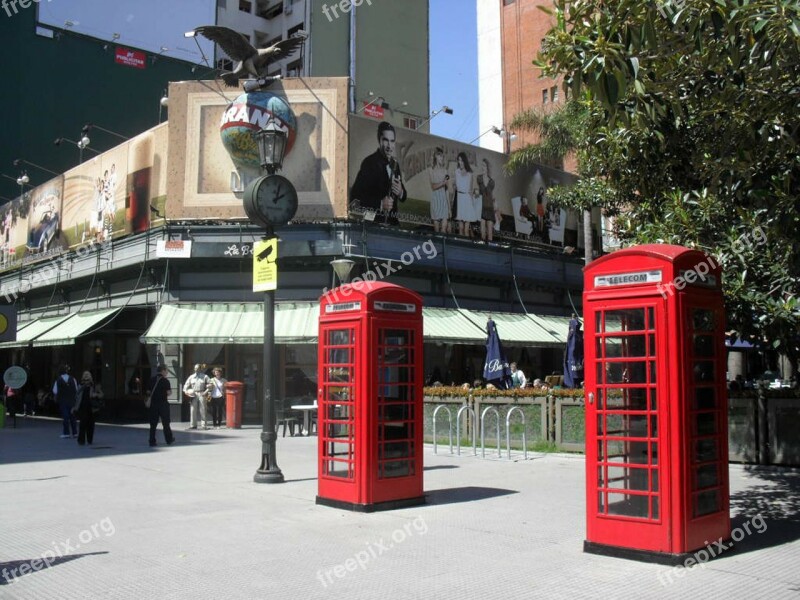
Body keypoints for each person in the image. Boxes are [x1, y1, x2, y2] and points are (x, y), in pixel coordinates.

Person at [350, 121, 407, 225]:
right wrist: (380, 204)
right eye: (386, 140)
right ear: (379, 140)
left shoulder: (395, 164)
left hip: (392, 226)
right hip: (373, 225)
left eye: (392, 141)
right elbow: (355, 198)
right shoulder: (369, 163)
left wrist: (401, 192)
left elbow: (403, 195)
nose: (389, 146)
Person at [148, 365, 174, 447]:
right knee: (166, 423)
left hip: (153, 404)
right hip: (163, 404)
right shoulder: (165, 381)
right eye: (166, 371)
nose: (167, 372)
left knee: (153, 424)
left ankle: (152, 441)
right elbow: (168, 393)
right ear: (163, 371)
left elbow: (148, 392)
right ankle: (169, 439)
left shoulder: (151, 380)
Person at [52, 365, 79, 438]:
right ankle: (75, 432)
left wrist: (56, 398)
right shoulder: (73, 379)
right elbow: (76, 390)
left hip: (62, 400)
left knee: (65, 416)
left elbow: (55, 391)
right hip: (72, 400)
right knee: (72, 416)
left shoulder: (58, 380)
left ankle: (66, 433)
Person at [454, 152, 476, 237]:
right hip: (459, 199)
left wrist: (472, 205)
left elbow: (470, 190)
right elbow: (455, 186)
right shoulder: (456, 172)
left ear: (465, 161)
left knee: (466, 230)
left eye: (462, 160)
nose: (460, 162)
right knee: (460, 228)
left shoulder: (470, 174)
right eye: (459, 160)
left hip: (467, 200)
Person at [428, 147, 450, 233]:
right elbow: (433, 186)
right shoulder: (431, 170)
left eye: (442, 156)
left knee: (443, 229)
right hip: (435, 200)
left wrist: (449, 208)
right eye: (440, 156)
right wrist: (443, 183)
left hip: (443, 200)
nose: (442, 158)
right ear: (436, 156)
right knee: (437, 231)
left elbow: (446, 190)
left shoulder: (445, 171)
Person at [183, 363, 211, 430]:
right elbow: (185, 386)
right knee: (193, 410)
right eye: (195, 368)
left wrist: (205, 392)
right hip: (193, 394)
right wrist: (186, 392)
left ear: (200, 369)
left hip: (202, 393)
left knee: (203, 410)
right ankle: (193, 425)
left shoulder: (205, 376)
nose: (196, 369)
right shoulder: (191, 377)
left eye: (198, 368)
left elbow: (211, 385)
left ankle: (204, 425)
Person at [72, 371, 97, 446]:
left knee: (91, 424)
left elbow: (99, 393)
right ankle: (81, 440)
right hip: (82, 406)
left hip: (91, 407)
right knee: (82, 423)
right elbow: (77, 394)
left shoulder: (93, 385)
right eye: (85, 375)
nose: (86, 377)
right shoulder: (80, 385)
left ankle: (90, 440)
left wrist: (95, 394)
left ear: (90, 377)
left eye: (88, 375)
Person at [478, 158, 496, 242]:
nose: (482, 167)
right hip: (481, 207)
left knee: (490, 233)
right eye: (482, 165)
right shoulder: (479, 178)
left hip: (489, 207)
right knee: (482, 234)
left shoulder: (492, 182)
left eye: (484, 166)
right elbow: (481, 191)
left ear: (487, 168)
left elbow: (489, 193)